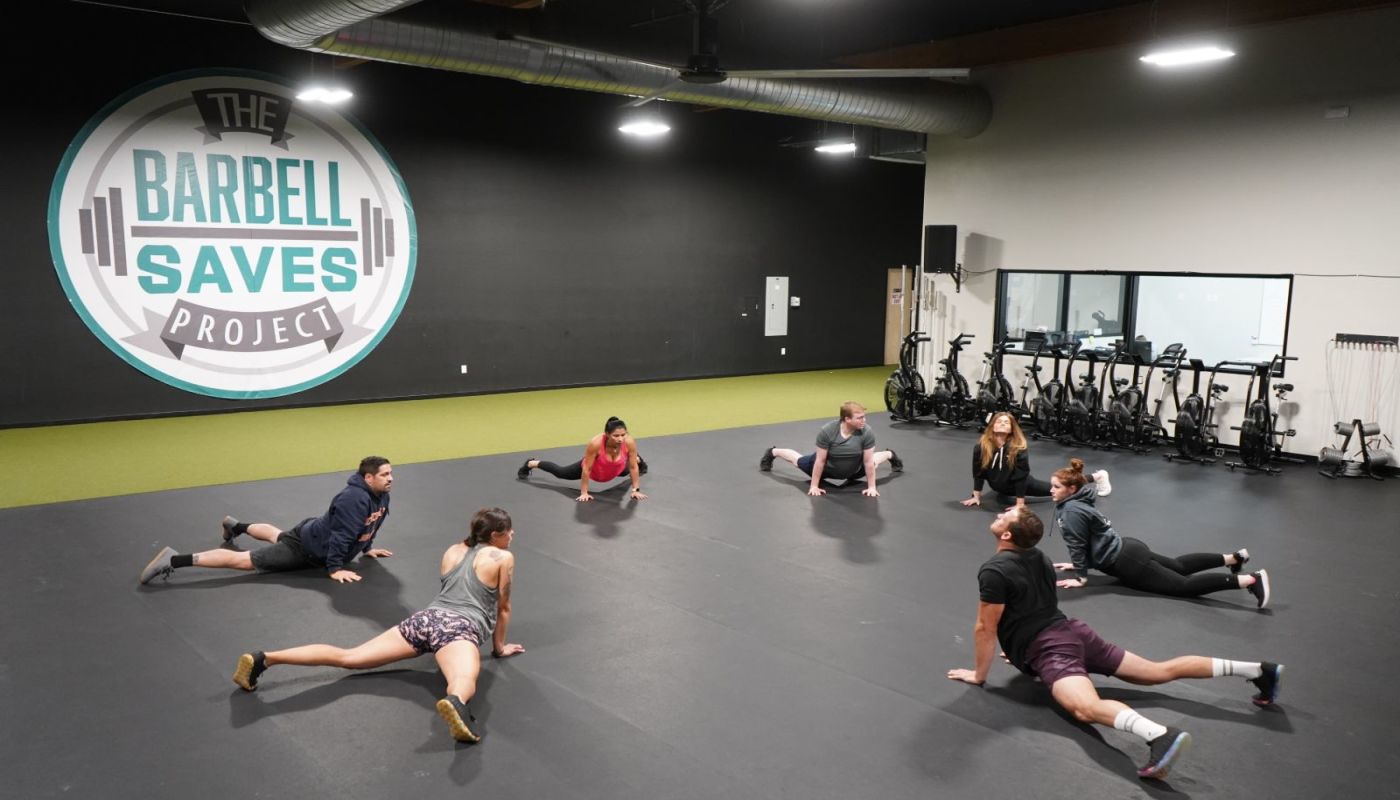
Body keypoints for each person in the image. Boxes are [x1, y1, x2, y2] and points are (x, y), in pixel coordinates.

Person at [947, 506, 1284, 780]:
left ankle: (1158, 736)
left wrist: (979, 674)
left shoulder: (994, 571)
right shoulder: (1039, 557)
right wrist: (1020, 652)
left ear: (1007, 535)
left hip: (1052, 649)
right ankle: (1258, 671)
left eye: (1004, 515)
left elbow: (985, 628)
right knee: (1157, 671)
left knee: (1085, 708)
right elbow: (1031, 608)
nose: (1000, 513)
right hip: (1073, 632)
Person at [230, 507, 523, 744]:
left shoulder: (454, 550)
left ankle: (265, 658)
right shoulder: (503, 557)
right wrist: (499, 648)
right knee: (463, 678)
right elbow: (503, 607)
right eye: (509, 531)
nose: (512, 535)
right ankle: (456, 702)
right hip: (458, 629)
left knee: (350, 656)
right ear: (495, 535)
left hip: (424, 619)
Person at [139, 456, 395, 585]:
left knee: (277, 535)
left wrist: (367, 547)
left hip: (311, 534)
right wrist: (335, 568)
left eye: (390, 473)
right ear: (368, 478)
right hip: (306, 548)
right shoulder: (353, 499)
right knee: (244, 561)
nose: (390, 478)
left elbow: (373, 522)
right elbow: (341, 535)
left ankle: (236, 526)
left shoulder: (381, 494)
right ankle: (173, 560)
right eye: (384, 474)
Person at [1050, 458, 1270, 608]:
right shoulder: (1079, 501)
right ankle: (1234, 558)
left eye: (1056, 487)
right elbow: (1090, 539)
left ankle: (1251, 580)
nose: (1051, 490)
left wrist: (1081, 576)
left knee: (1183, 586)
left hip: (1127, 562)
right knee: (1179, 566)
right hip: (1129, 547)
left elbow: (1077, 544)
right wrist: (1080, 563)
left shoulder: (1070, 512)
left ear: (1071, 489)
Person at [961, 411, 1110, 508]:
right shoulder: (981, 447)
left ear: (1012, 429)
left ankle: (1098, 476)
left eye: (1006, 422)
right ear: (992, 426)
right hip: (1001, 489)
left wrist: (1020, 504)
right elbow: (978, 472)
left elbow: (1020, 477)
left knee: (1060, 487)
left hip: (1022, 485)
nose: (1002, 424)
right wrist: (976, 496)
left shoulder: (1018, 447)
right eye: (999, 421)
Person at [759, 401, 902, 498]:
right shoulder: (828, 431)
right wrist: (814, 486)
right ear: (847, 419)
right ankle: (773, 452)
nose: (864, 421)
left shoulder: (866, 432)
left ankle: (890, 454)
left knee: (873, 461)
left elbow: (868, 462)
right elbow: (820, 460)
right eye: (859, 418)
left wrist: (872, 487)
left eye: (864, 417)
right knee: (797, 460)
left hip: (854, 468)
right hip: (826, 468)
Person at [517, 416, 648, 502]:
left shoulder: (629, 442)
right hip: (596, 470)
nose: (620, 439)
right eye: (616, 436)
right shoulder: (595, 444)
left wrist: (635, 490)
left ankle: (637, 459)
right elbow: (587, 468)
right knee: (560, 473)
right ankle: (531, 463)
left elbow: (632, 467)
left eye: (623, 435)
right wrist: (584, 493)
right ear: (607, 434)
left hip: (617, 468)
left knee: (630, 466)